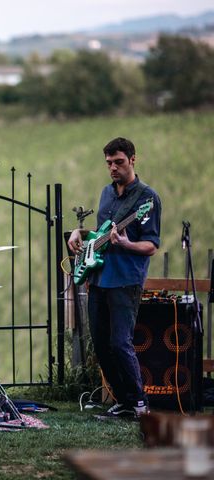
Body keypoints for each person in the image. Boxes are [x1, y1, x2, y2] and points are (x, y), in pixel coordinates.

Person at [68, 137, 161, 419]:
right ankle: (123, 402)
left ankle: (140, 403)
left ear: (133, 160)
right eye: (109, 163)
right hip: (98, 279)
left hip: (125, 280)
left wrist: (125, 244)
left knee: (120, 343)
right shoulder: (106, 194)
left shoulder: (147, 199)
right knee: (101, 345)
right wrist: (79, 233)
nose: (113, 168)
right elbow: (101, 233)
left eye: (119, 162)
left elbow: (151, 245)